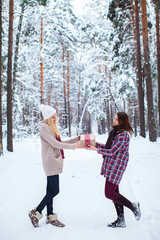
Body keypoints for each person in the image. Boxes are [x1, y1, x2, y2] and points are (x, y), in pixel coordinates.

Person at [29, 104, 82, 228]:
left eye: (55, 117)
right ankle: (36, 212)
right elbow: (54, 144)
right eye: (53, 117)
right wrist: (74, 147)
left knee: (50, 191)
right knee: (55, 190)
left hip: (53, 161)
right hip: (50, 162)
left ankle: (50, 216)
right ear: (47, 118)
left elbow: (59, 142)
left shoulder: (50, 128)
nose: (55, 119)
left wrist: (76, 139)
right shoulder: (44, 128)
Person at [85, 112, 141, 228]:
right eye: (114, 118)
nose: (114, 120)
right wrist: (94, 144)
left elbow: (111, 152)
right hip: (111, 166)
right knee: (114, 193)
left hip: (116, 167)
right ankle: (121, 220)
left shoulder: (123, 135)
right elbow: (108, 147)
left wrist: (95, 150)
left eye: (116, 119)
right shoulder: (115, 132)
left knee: (109, 193)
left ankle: (133, 206)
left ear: (122, 121)